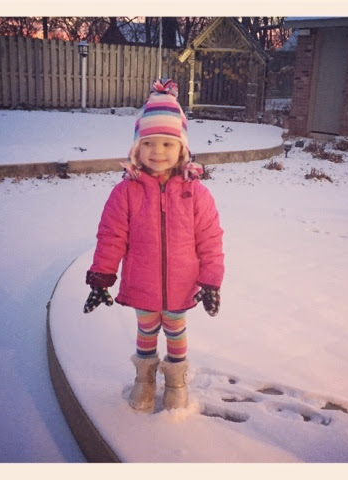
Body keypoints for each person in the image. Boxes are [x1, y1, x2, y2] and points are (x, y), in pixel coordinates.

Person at [83, 78, 224, 412]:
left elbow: (210, 239)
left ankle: (176, 382)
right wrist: (101, 277)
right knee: (146, 331)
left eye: (166, 144)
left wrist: (211, 280)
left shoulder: (196, 194)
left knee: (176, 331)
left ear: (181, 149)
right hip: (141, 281)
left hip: (181, 283)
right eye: (148, 143)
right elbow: (111, 237)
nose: (157, 152)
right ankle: (144, 379)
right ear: (136, 148)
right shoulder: (126, 192)